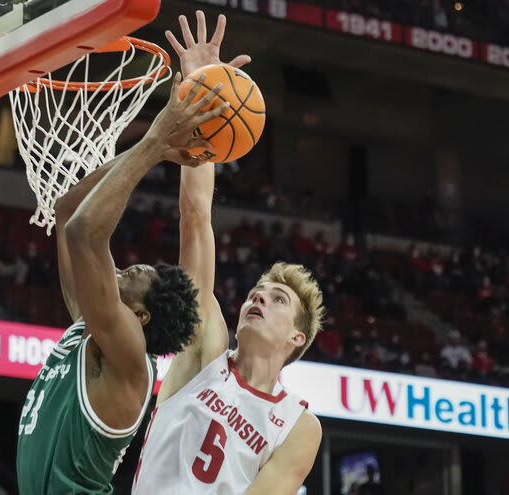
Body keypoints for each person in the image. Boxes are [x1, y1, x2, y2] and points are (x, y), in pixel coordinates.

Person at [132, 12, 324, 495]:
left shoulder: (298, 426)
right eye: (259, 291)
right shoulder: (207, 345)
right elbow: (196, 217)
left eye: (278, 299)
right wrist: (202, 91)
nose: (259, 298)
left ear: (297, 337)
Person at [16, 72, 229, 494]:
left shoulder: (128, 357)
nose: (123, 268)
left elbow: (82, 233)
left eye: (134, 276)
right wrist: (156, 149)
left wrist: (154, 144)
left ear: (140, 315)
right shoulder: (92, 326)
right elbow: (67, 210)